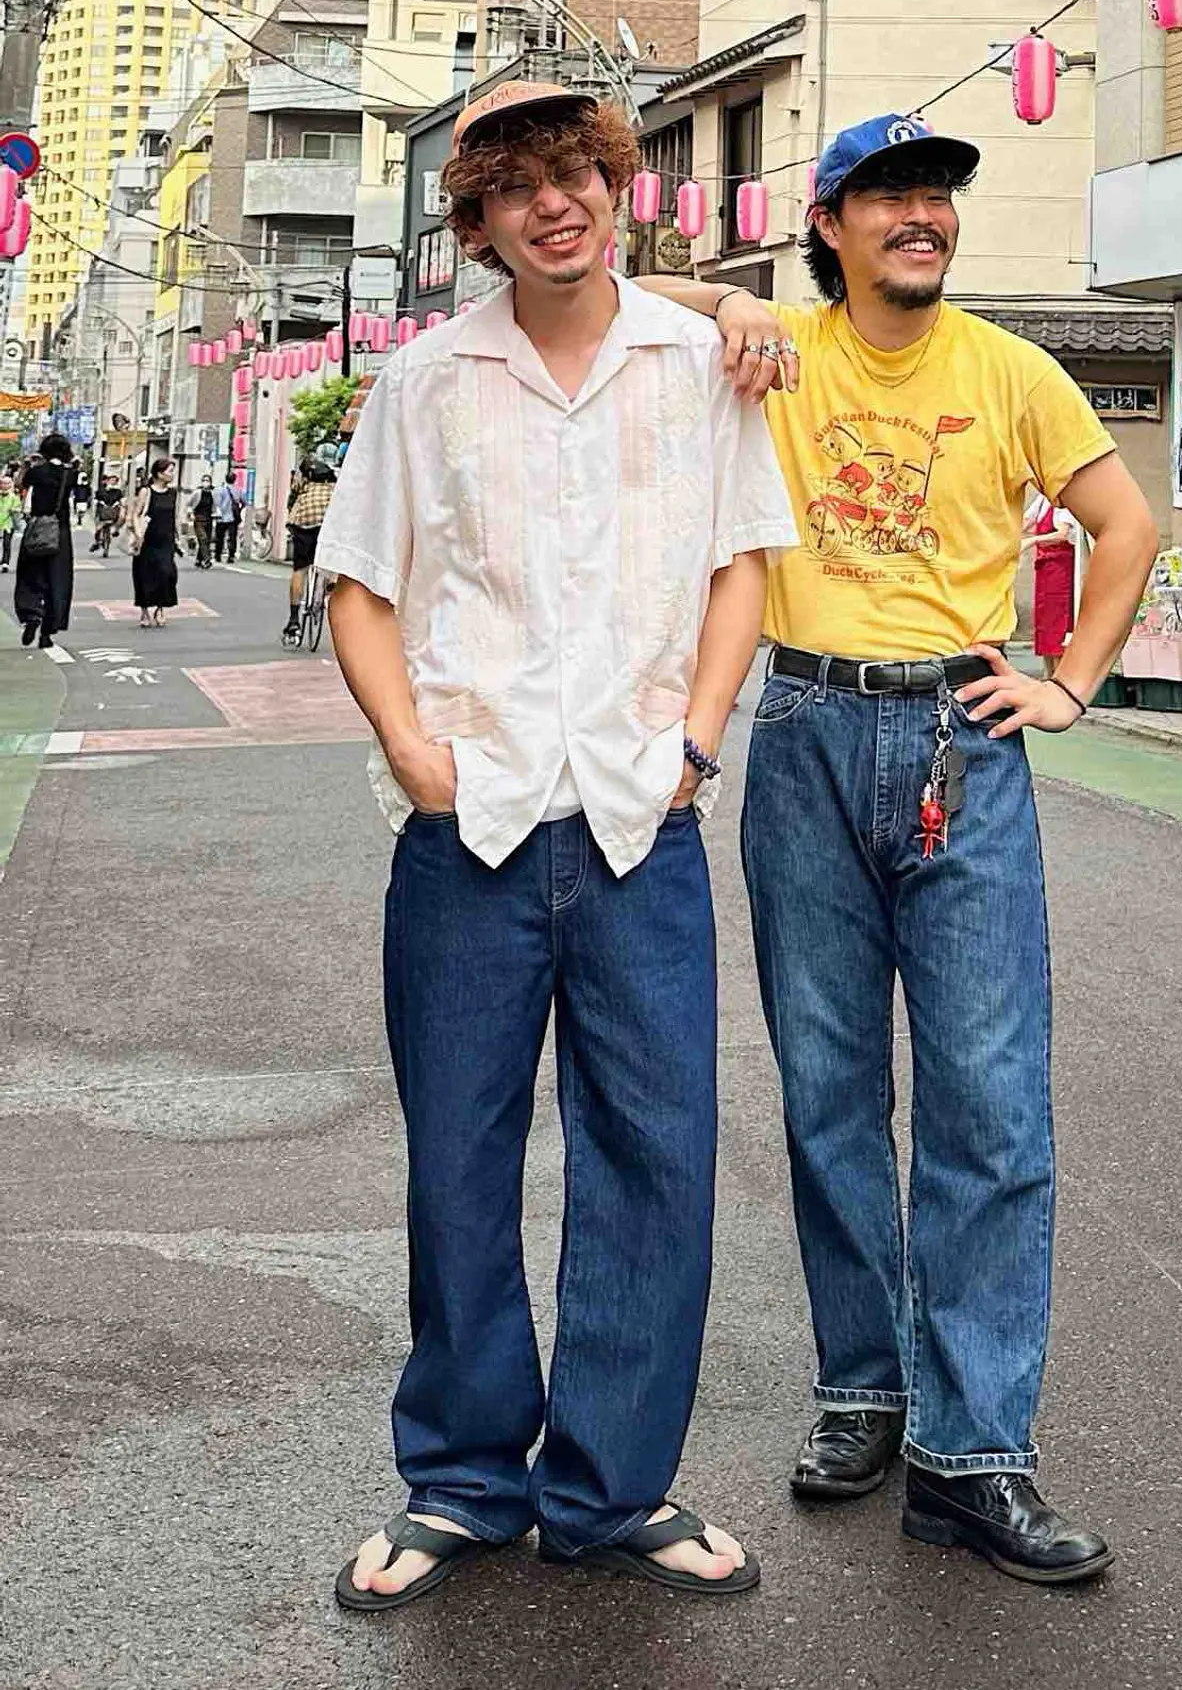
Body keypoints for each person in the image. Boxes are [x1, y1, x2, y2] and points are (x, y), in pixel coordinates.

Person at [641, 110, 1156, 1586]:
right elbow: (609, 293)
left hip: (961, 740)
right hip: (803, 728)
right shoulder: (781, 349)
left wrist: (1070, 682)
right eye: (888, 194)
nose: (921, 214)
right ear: (829, 223)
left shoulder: (1010, 369)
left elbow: (1120, 525)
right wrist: (728, 299)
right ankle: (865, 1388)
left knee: (991, 1106)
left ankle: (973, 1453)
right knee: (829, 1093)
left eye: (936, 194)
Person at [317, 81, 795, 1612]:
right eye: (514, 187)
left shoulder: (699, 363)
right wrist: (413, 752)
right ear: (478, 224)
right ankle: (463, 1482)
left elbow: (741, 566)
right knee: (457, 1158)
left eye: (575, 172)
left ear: (615, 185)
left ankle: (609, 1487)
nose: (552, 204)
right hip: (470, 824)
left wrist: (697, 741)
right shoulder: (426, 382)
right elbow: (357, 582)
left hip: (641, 819)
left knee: (656, 1156)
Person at [13, 435, 80, 648]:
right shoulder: (70, 474)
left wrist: (26, 465)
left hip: (37, 529)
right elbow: (75, 474)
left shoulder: (37, 472)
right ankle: (47, 633)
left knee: (29, 575)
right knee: (58, 580)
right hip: (60, 532)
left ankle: (31, 614)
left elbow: (20, 484)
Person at [1021, 491, 1079, 678]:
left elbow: (1062, 534)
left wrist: (1033, 540)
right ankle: (1048, 675)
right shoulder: (1041, 500)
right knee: (1044, 622)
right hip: (1045, 567)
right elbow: (1025, 522)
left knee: (1057, 622)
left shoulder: (1063, 500)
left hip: (1060, 567)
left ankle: (1059, 677)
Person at [281, 457, 335, 646]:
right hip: (327, 523)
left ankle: (294, 619)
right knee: (331, 561)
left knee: (299, 570)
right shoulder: (333, 483)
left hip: (303, 523)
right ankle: (330, 584)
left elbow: (291, 501)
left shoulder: (301, 480)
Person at [129, 457, 180, 628]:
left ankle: (160, 609)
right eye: (170, 471)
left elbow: (174, 516)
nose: (172, 474)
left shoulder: (173, 493)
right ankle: (144, 611)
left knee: (167, 574)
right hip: (147, 539)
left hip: (166, 540)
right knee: (144, 575)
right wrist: (138, 534)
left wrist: (178, 535)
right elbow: (136, 513)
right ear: (159, 473)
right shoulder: (146, 491)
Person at [213, 471, 244, 563]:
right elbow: (244, 502)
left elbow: (216, 503)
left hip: (221, 517)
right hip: (233, 518)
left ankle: (217, 555)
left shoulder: (220, 490)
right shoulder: (238, 490)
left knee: (219, 537)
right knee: (232, 537)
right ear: (234, 480)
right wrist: (239, 509)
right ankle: (231, 556)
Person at [92, 477, 123, 557]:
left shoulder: (118, 492)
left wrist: (118, 504)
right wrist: (100, 503)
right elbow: (95, 500)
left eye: (115, 481)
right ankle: (97, 542)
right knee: (98, 529)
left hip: (112, 513)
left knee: (108, 529)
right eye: (111, 480)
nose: (113, 482)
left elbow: (121, 501)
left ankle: (106, 546)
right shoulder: (101, 491)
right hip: (102, 513)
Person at [190, 475, 215, 568]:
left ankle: (198, 559)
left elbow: (215, 506)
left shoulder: (213, 494)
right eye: (204, 480)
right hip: (198, 519)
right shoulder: (197, 493)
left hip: (209, 519)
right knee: (203, 538)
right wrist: (191, 514)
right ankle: (207, 559)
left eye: (207, 480)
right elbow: (189, 504)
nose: (205, 482)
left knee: (206, 540)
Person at [0, 471, 20, 573]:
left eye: (7, 483)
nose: (5, 485)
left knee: (6, 543)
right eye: (3, 483)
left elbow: (18, 508)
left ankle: (5, 562)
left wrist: (14, 510)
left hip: (8, 524)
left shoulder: (14, 497)